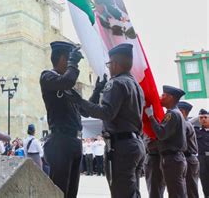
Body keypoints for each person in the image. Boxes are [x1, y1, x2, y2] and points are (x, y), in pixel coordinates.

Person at [70, 43, 145, 198]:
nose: (109, 68)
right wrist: (97, 91)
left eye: (109, 64)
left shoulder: (116, 82)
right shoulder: (136, 85)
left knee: (121, 193)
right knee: (132, 192)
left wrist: (80, 101)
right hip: (135, 144)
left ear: (115, 64)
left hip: (121, 147)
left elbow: (107, 112)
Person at [40, 41, 85, 198]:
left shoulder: (66, 85)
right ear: (61, 59)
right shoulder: (48, 77)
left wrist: (98, 88)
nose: (71, 65)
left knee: (72, 191)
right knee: (59, 191)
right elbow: (67, 81)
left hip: (74, 140)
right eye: (70, 60)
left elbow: (84, 109)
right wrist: (74, 65)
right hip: (60, 141)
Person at [146, 85, 187, 198]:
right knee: (177, 191)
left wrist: (151, 117)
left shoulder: (172, 114)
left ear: (170, 97)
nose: (160, 97)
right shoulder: (175, 113)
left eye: (163, 95)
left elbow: (161, 134)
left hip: (172, 159)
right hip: (174, 158)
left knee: (176, 193)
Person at [177, 101, 199, 198]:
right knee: (187, 188)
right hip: (188, 159)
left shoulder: (184, 124)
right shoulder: (185, 123)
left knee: (190, 189)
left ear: (182, 112)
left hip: (188, 159)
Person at [196, 109, 209, 197]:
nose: (203, 119)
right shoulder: (196, 130)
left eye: (205, 117)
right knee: (204, 180)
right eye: (201, 118)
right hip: (202, 158)